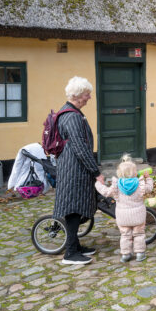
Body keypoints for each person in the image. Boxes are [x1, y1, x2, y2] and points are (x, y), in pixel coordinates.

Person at [53, 76, 100, 265]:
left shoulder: (72, 112)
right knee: (73, 209)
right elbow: (80, 147)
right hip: (73, 170)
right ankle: (70, 254)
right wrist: (96, 172)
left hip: (75, 168)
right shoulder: (71, 116)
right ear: (78, 95)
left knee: (77, 207)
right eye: (87, 94)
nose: (89, 97)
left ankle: (76, 246)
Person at [95, 154, 153, 262]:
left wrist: (98, 184)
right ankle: (140, 253)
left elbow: (106, 192)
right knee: (139, 234)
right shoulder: (139, 184)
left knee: (125, 235)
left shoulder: (117, 185)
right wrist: (148, 178)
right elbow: (149, 189)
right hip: (138, 216)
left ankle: (126, 254)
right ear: (135, 172)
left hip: (123, 217)